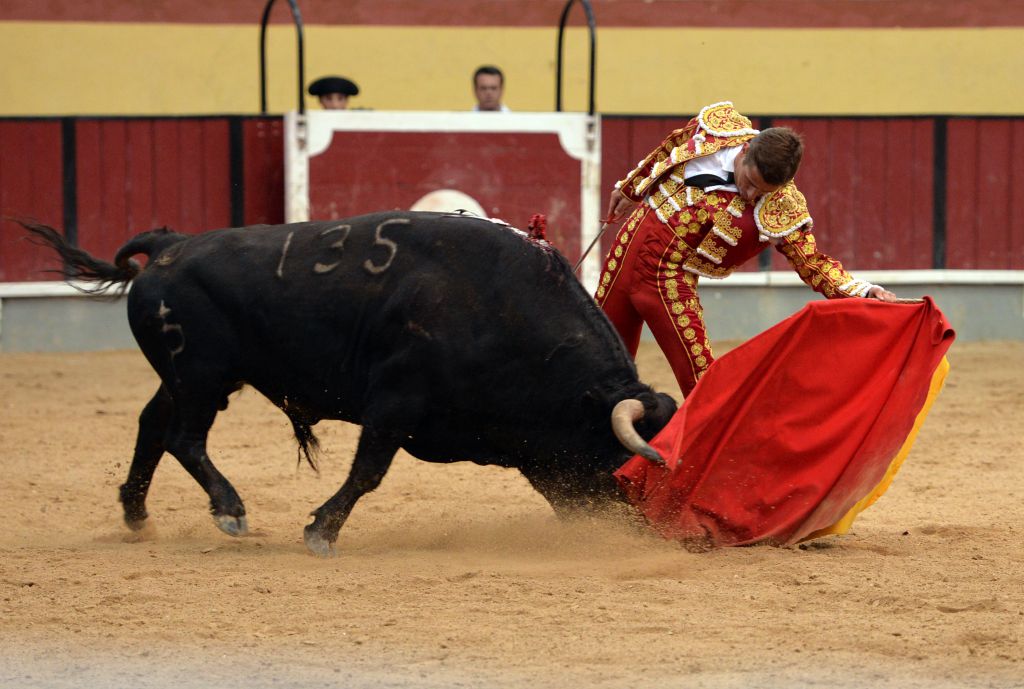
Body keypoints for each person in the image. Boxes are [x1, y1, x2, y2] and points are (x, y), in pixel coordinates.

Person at [595, 101, 898, 397]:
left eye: (762, 191)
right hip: (624, 250)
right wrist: (631, 187)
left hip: (666, 280)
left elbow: (811, 263)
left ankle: (715, 448)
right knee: (596, 359)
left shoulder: (780, 205)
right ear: (744, 151)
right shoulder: (717, 129)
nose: (750, 194)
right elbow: (670, 147)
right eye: (750, 181)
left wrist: (863, 290)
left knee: (702, 383)